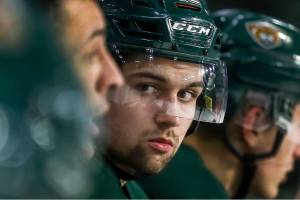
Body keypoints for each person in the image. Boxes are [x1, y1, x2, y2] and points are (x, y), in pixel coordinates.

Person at [138, 9, 300, 199]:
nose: (298, 152)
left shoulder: (147, 166)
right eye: (298, 129)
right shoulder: (195, 193)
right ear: (255, 120)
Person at [92, 0, 227, 198]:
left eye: (186, 95)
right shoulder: (60, 184)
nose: (172, 118)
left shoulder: (132, 191)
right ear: (98, 81)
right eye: (147, 88)